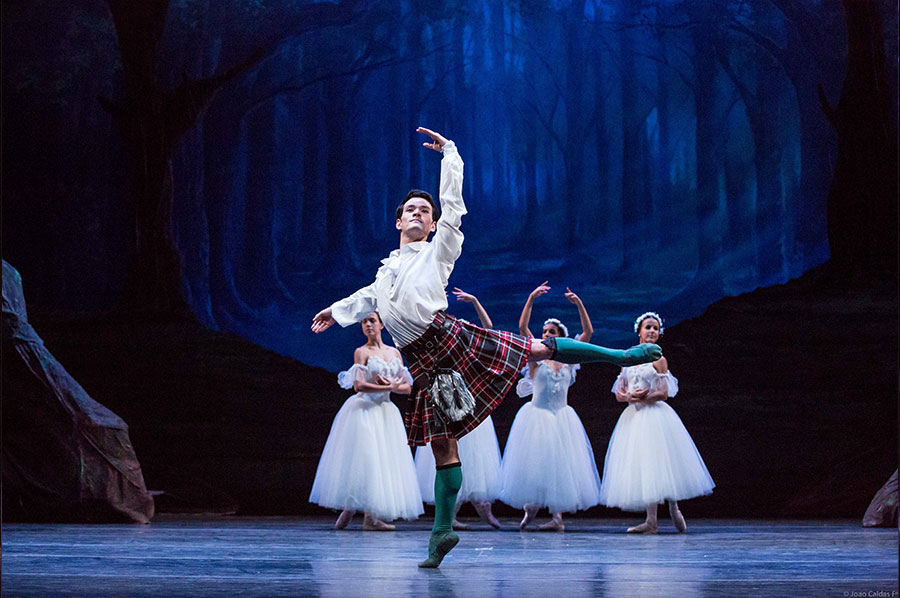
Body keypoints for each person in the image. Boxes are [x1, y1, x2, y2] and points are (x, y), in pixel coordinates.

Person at [312, 127, 662, 567]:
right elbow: (366, 297)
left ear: (432, 223)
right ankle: (441, 533)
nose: (418, 213)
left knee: (534, 348)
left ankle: (620, 356)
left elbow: (454, 208)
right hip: (424, 363)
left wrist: (450, 156)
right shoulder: (386, 271)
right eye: (410, 210)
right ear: (398, 221)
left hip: (447, 337)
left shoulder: (438, 249)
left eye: (425, 210)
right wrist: (333, 311)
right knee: (442, 446)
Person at [598, 312, 715, 533]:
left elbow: (663, 393)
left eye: (655, 328)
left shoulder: (658, 359)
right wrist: (630, 397)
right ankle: (651, 521)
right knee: (646, 466)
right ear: (639, 332)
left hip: (655, 415)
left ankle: (673, 506)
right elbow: (619, 392)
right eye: (648, 327)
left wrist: (644, 397)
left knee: (662, 462)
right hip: (634, 417)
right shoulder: (628, 359)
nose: (652, 331)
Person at [499, 282, 602, 531]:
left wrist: (579, 304)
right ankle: (531, 509)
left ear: (561, 336)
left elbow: (587, 334)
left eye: (552, 331)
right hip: (537, 417)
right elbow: (523, 328)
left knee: (561, 467)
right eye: (545, 331)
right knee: (535, 464)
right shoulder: (536, 359)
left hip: (562, 418)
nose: (546, 334)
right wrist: (531, 298)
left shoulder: (569, 362)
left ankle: (557, 518)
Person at [308, 312, 423, 530]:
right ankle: (355, 511)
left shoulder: (395, 353)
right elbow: (358, 385)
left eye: (372, 320)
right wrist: (386, 386)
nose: (368, 325)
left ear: (381, 324)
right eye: (364, 322)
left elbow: (407, 388)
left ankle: (365, 516)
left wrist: (392, 386)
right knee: (365, 461)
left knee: (382, 461)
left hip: (386, 412)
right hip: (364, 410)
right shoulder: (361, 352)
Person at [415, 288, 502, 530]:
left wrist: (475, 301)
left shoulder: (469, 342)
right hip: (448, 401)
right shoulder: (436, 340)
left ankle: (482, 507)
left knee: (477, 457)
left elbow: (489, 330)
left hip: (471, 404)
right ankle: (451, 515)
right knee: (451, 455)